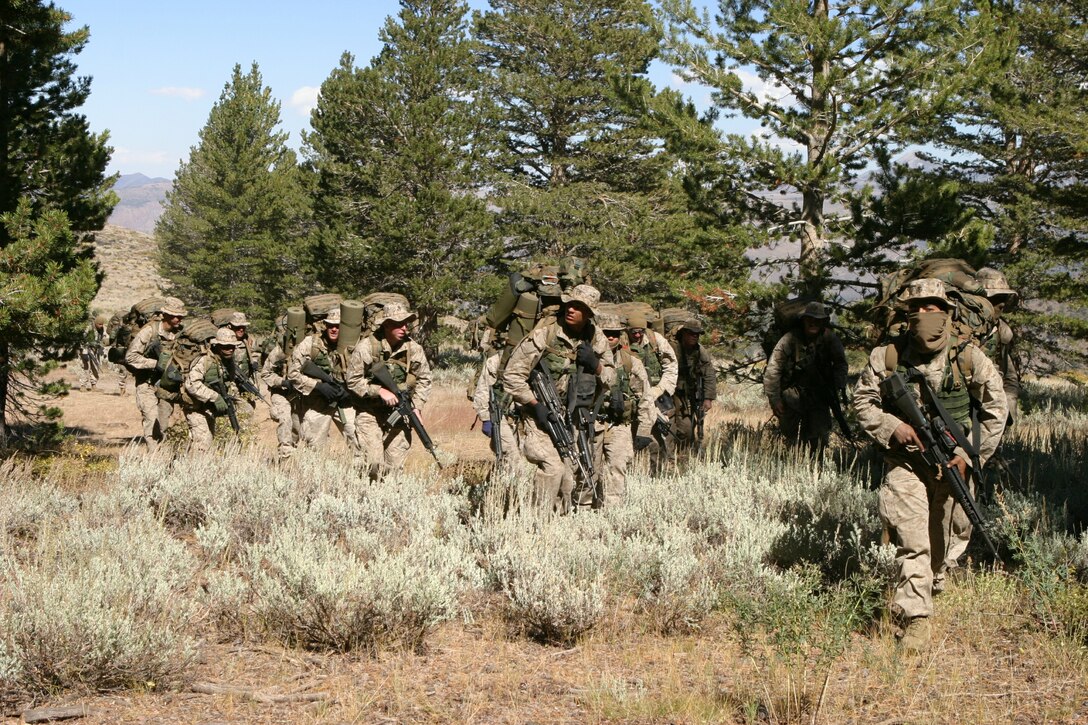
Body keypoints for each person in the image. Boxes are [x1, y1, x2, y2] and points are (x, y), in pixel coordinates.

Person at [852, 278, 1007, 652]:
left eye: (932, 307)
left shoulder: (969, 357)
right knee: (913, 539)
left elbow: (996, 410)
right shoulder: (887, 356)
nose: (924, 315)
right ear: (906, 315)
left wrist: (970, 454)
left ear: (947, 313)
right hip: (905, 463)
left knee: (949, 534)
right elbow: (863, 402)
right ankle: (916, 618)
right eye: (916, 309)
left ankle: (935, 580)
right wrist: (894, 426)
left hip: (953, 462)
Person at [502, 284, 615, 514]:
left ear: (589, 314)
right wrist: (535, 406)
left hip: (571, 416)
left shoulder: (596, 338)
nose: (571, 310)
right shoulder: (546, 333)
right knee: (553, 468)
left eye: (579, 307)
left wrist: (597, 365)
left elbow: (613, 379)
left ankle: (559, 521)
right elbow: (512, 376)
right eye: (569, 304)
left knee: (571, 471)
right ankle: (537, 521)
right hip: (538, 414)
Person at [345, 301, 433, 479]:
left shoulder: (413, 349)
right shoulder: (367, 347)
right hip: (369, 411)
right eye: (397, 324)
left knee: (394, 466)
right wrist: (378, 390)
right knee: (373, 463)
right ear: (386, 325)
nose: (403, 328)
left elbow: (424, 379)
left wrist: (417, 406)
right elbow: (352, 381)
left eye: (405, 323)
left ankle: (390, 499)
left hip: (399, 412)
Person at [763, 302, 849, 452]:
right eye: (809, 319)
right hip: (792, 394)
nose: (813, 323)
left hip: (819, 396)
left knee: (819, 438)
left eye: (818, 320)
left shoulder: (830, 339)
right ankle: (792, 466)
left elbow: (841, 364)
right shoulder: (789, 339)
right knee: (792, 438)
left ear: (823, 322)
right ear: (803, 320)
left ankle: (816, 468)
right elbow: (773, 369)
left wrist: (836, 385)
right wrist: (775, 399)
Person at [596, 310, 650, 507]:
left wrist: (644, 430)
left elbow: (644, 397)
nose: (611, 337)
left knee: (617, 468)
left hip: (619, 424)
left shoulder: (630, 362)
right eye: (606, 332)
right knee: (587, 469)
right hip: (591, 422)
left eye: (615, 333)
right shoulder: (586, 358)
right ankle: (584, 510)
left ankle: (613, 511)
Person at [288, 307, 357, 452]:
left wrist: (348, 390)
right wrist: (318, 386)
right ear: (325, 326)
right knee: (314, 448)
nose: (334, 329)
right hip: (317, 402)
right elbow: (293, 374)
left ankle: (364, 474)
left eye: (338, 326)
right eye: (330, 326)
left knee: (359, 443)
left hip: (344, 402)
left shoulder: (354, 346)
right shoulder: (310, 344)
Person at [125, 297, 187, 452]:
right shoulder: (149, 331)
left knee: (164, 423)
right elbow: (131, 357)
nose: (178, 319)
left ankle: (163, 458)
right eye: (174, 316)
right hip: (147, 383)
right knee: (152, 420)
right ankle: (154, 460)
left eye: (180, 316)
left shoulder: (181, 334)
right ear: (165, 315)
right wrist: (156, 364)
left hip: (167, 386)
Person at [626, 308, 678, 472]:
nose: (637, 336)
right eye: (633, 332)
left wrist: (661, 389)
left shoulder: (656, 340)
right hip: (632, 396)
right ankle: (634, 471)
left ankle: (660, 471)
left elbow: (671, 366)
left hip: (657, 397)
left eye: (640, 331)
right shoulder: (622, 343)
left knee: (659, 438)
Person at [183, 327, 241, 452]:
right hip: (196, 408)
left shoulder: (228, 362)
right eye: (226, 346)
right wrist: (215, 397)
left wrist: (231, 397)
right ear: (217, 346)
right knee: (203, 442)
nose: (230, 349)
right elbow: (191, 384)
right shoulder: (204, 360)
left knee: (207, 440)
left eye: (233, 346)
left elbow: (230, 382)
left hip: (209, 409)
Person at [976, 267, 1021, 424]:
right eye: (995, 298)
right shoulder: (959, 329)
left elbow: (1009, 377)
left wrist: (1007, 409)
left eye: (1004, 298)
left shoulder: (1001, 331)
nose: (1001, 303)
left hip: (991, 413)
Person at [669, 318, 717, 462]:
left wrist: (708, 398)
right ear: (683, 333)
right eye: (691, 333)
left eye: (697, 334)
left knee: (687, 429)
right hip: (669, 394)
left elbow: (709, 374)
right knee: (668, 428)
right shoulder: (672, 348)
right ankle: (667, 458)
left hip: (687, 397)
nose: (695, 336)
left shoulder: (700, 351)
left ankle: (683, 456)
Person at [471, 350, 524, 471]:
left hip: (516, 415)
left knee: (514, 453)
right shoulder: (496, 360)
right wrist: (485, 418)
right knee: (511, 455)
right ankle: (514, 487)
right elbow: (483, 390)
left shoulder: (528, 357)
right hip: (496, 414)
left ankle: (499, 485)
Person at [260, 318, 301, 460]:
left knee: (298, 425)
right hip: (281, 392)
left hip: (301, 393)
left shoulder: (308, 348)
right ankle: (285, 454)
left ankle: (294, 452)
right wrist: (282, 382)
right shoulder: (279, 351)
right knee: (285, 418)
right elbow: (265, 373)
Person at [78, 313, 109, 392]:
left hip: (95, 350)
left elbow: (103, 339)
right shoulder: (89, 328)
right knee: (85, 367)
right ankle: (83, 386)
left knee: (95, 367)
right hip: (86, 349)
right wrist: (84, 352)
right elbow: (82, 339)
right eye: (99, 324)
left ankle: (94, 385)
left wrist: (101, 346)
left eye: (102, 324)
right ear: (95, 323)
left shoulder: (102, 329)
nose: (101, 326)